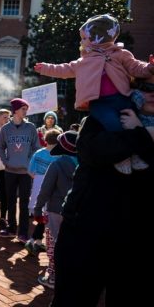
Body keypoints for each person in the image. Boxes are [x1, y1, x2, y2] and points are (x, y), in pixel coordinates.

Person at [51, 75, 154, 306]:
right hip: (85, 233)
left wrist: (140, 131)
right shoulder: (100, 119)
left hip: (135, 243)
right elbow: (95, 153)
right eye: (147, 88)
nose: (153, 94)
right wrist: (141, 135)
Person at [35, 14, 154, 173]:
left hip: (122, 96)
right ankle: (123, 158)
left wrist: (150, 68)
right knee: (113, 124)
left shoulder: (121, 54)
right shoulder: (84, 61)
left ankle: (137, 156)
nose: (81, 42)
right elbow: (64, 69)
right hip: (99, 103)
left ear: (98, 38)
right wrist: (45, 68)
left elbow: (137, 68)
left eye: (84, 38)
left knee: (130, 122)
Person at [33, 130, 78, 290]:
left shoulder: (56, 165)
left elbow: (45, 190)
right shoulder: (86, 164)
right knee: (73, 246)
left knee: (53, 246)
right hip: (77, 212)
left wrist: (37, 209)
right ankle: (70, 277)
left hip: (55, 211)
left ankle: (53, 277)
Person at [0, 98, 40, 243]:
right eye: (23, 109)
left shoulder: (31, 127)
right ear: (15, 110)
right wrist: (6, 161)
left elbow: (36, 147)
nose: (25, 111)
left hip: (25, 172)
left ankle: (23, 233)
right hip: (9, 171)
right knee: (10, 201)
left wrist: (29, 163)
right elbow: (0, 147)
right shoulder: (5, 129)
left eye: (26, 109)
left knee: (24, 203)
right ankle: (11, 228)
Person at [24, 128, 61, 254]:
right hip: (51, 186)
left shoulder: (38, 153)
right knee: (46, 214)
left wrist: (38, 178)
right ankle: (33, 240)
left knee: (39, 213)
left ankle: (38, 242)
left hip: (37, 182)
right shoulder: (59, 156)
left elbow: (29, 170)